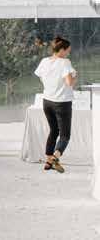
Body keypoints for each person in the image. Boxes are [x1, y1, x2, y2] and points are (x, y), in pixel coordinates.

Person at [35, 36, 77, 172]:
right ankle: (55, 157)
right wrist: (75, 76)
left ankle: (48, 162)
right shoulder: (65, 62)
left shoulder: (44, 61)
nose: (69, 53)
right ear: (62, 50)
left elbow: (41, 78)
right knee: (65, 135)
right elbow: (69, 83)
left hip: (47, 101)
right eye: (68, 50)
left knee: (53, 131)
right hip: (62, 103)